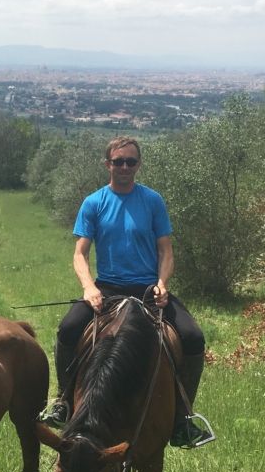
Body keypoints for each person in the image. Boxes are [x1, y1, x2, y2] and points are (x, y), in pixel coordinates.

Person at [41, 136, 212, 448]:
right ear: (108, 164)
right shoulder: (94, 203)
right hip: (107, 287)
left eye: (130, 162)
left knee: (192, 336)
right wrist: (89, 288)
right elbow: (80, 254)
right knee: (67, 329)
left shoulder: (152, 201)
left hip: (149, 288)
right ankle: (63, 402)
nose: (124, 167)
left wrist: (163, 283)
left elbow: (166, 251)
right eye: (118, 161)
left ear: (138, 165)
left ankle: (183, 419)